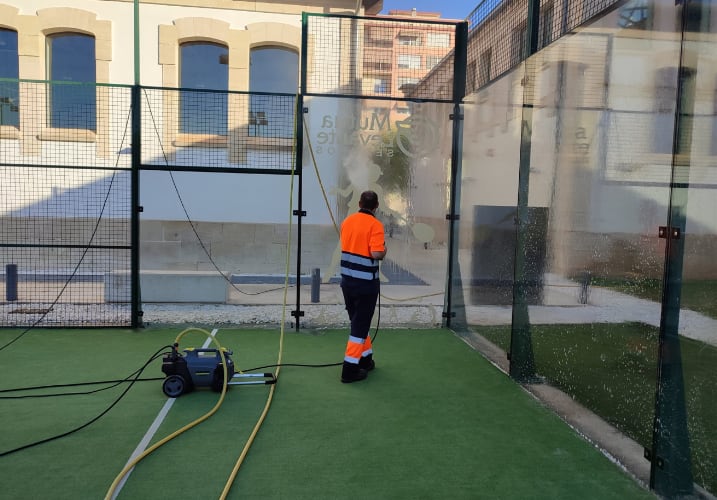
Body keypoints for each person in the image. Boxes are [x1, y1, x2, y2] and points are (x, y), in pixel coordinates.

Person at [339, 190, 387, 383]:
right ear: (376, 206)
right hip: (366, 284)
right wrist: (384, 250)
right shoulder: (376, 225)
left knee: (359, 322)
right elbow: (376, 254)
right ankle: (349, 370)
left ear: (359, 203)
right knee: (359, 326)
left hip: (347, 282)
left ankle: (365, 359)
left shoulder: (347, 222)